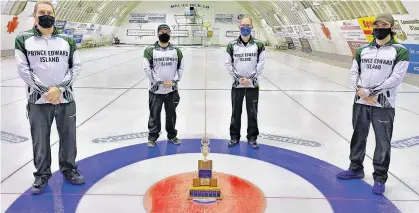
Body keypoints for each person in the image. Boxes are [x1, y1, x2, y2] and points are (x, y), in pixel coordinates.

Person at [15, 1, 84, 194]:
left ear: (55, 14)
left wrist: (60, 89)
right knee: (40, 139)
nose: (46, 15)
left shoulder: (67, 40)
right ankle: (42, 175)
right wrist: (47, 90)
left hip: (66, 99)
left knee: (69, 137)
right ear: (35, 16)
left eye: (49, 12)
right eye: (42, 12)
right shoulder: (24, 39)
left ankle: (69, 169)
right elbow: (23, 69)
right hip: (38, 100)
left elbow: (76, 67)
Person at [337, 13, 410, 195]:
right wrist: (361, 90)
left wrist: (371, 92)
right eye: (376, 24)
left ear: (392, 28)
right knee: (358, 136)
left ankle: (379, 176)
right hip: (361, 101)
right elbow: (354, 73)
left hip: (383, 105)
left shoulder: (400, 51)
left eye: (383, 24)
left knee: (382, 142)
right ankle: (355, 168)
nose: (379, 27)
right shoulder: (363, 50)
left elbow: (396, 78)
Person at [225, 16, 265, 149]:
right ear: (239, 27)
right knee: (236, 111)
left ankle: (252, 137)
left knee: (252, 112)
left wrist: (250, 79)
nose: (245, 27)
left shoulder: (259, 45)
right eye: (243, 25)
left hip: (252, 85)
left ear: (252, 27)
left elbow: (261, 63)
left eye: (248, 25)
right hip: (237, 85)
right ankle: (234, 137)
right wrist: (238, 78)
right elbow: (228, 64)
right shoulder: (232, 45)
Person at [143, 24, 184, 148]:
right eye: (161, 31)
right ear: (157, 34)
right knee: (154, 114)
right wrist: (159, 82)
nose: (164, 33)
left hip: (172, 89)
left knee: (171, 114)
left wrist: (174, 81)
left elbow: (180, 68)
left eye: (166, 31)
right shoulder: (150, 50)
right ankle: (152, 137)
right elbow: (147, 68)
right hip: (156, 90)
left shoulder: (176, 51)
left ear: (170, 33)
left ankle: (172, 135)